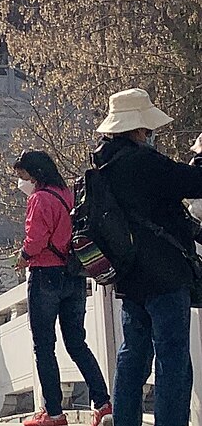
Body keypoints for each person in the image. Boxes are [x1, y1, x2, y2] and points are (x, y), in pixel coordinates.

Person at [92, 88, 202, 426]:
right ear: (140, 128)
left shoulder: (104, 166)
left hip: (130, 276)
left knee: (132, 357)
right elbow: (194, 183)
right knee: (173, 360)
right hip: (165, 275)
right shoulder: (144, 162)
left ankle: (125, 420)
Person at [13, 150, 112, 426]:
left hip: (45, 275)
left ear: (34, 173)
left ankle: (54, 413)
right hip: (74, 273)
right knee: (77, 343)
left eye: (23, 174)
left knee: (44, 346)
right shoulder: (68, 194)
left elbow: (34, 241)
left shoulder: (39, 199)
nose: (22, 179)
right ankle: (103, 403)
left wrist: (22, 257)